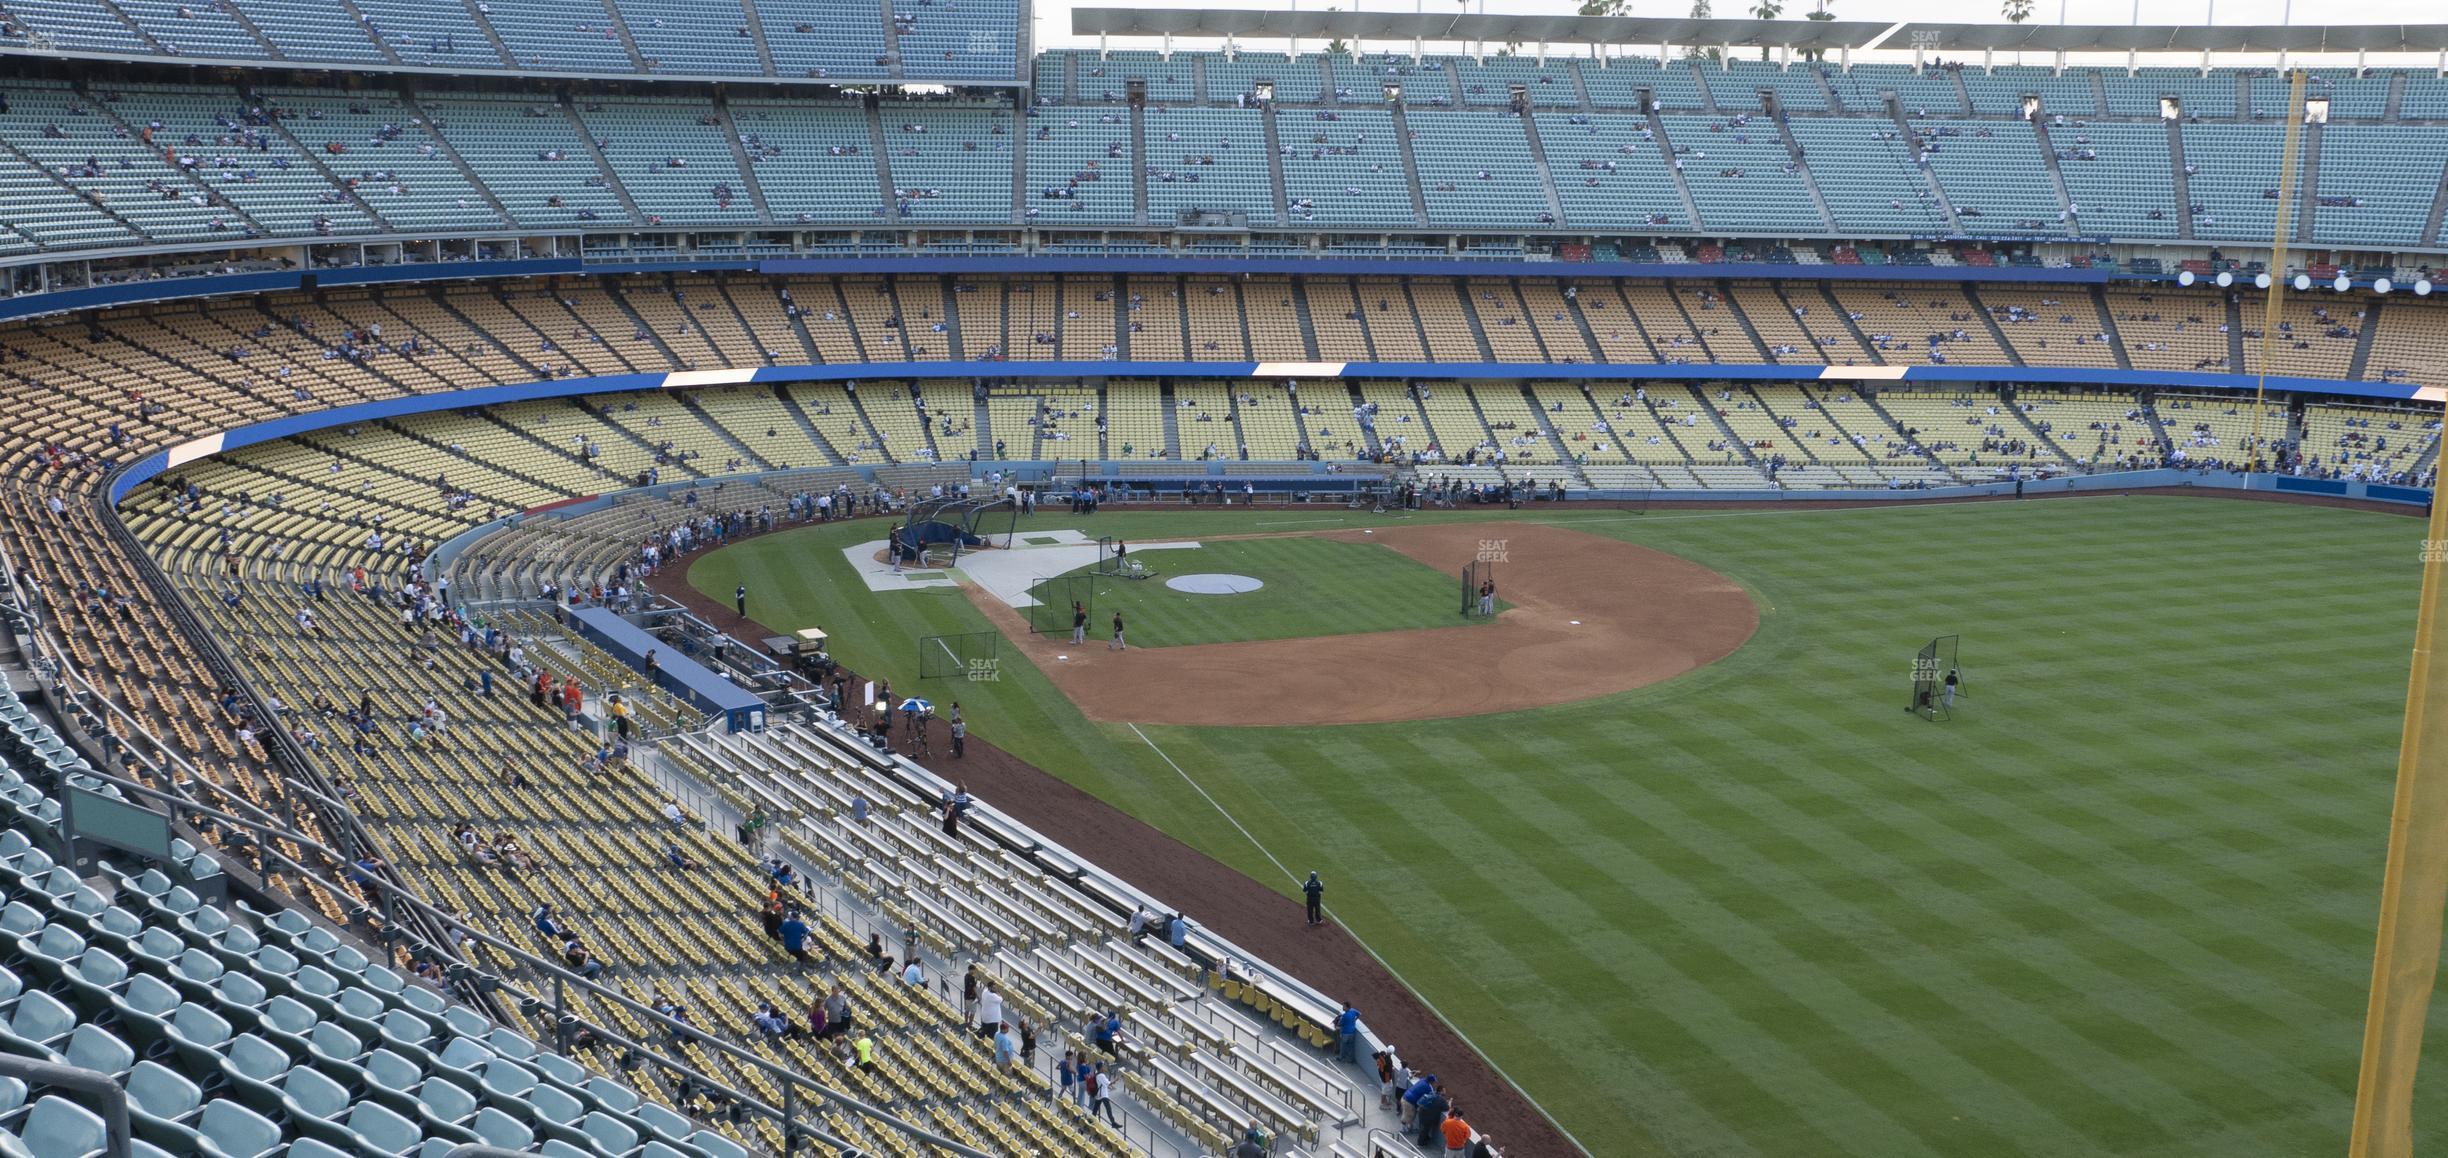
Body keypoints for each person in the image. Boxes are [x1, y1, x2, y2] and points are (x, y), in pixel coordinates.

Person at [1089, 1062, 1121, 1126]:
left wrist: (1111, 1084)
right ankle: (1113, 1122)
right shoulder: (1101, 1075)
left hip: (1099, 1095)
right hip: (1103, 1095)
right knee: (1108, 1108)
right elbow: (1108, 1083)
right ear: (1101, 1067)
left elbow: (1104, 1083)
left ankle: (1090, 1121)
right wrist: (1116, 1079)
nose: (1104, 1067)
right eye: (1103, 1066)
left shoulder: (1097, 1074)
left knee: (1095, 1109)